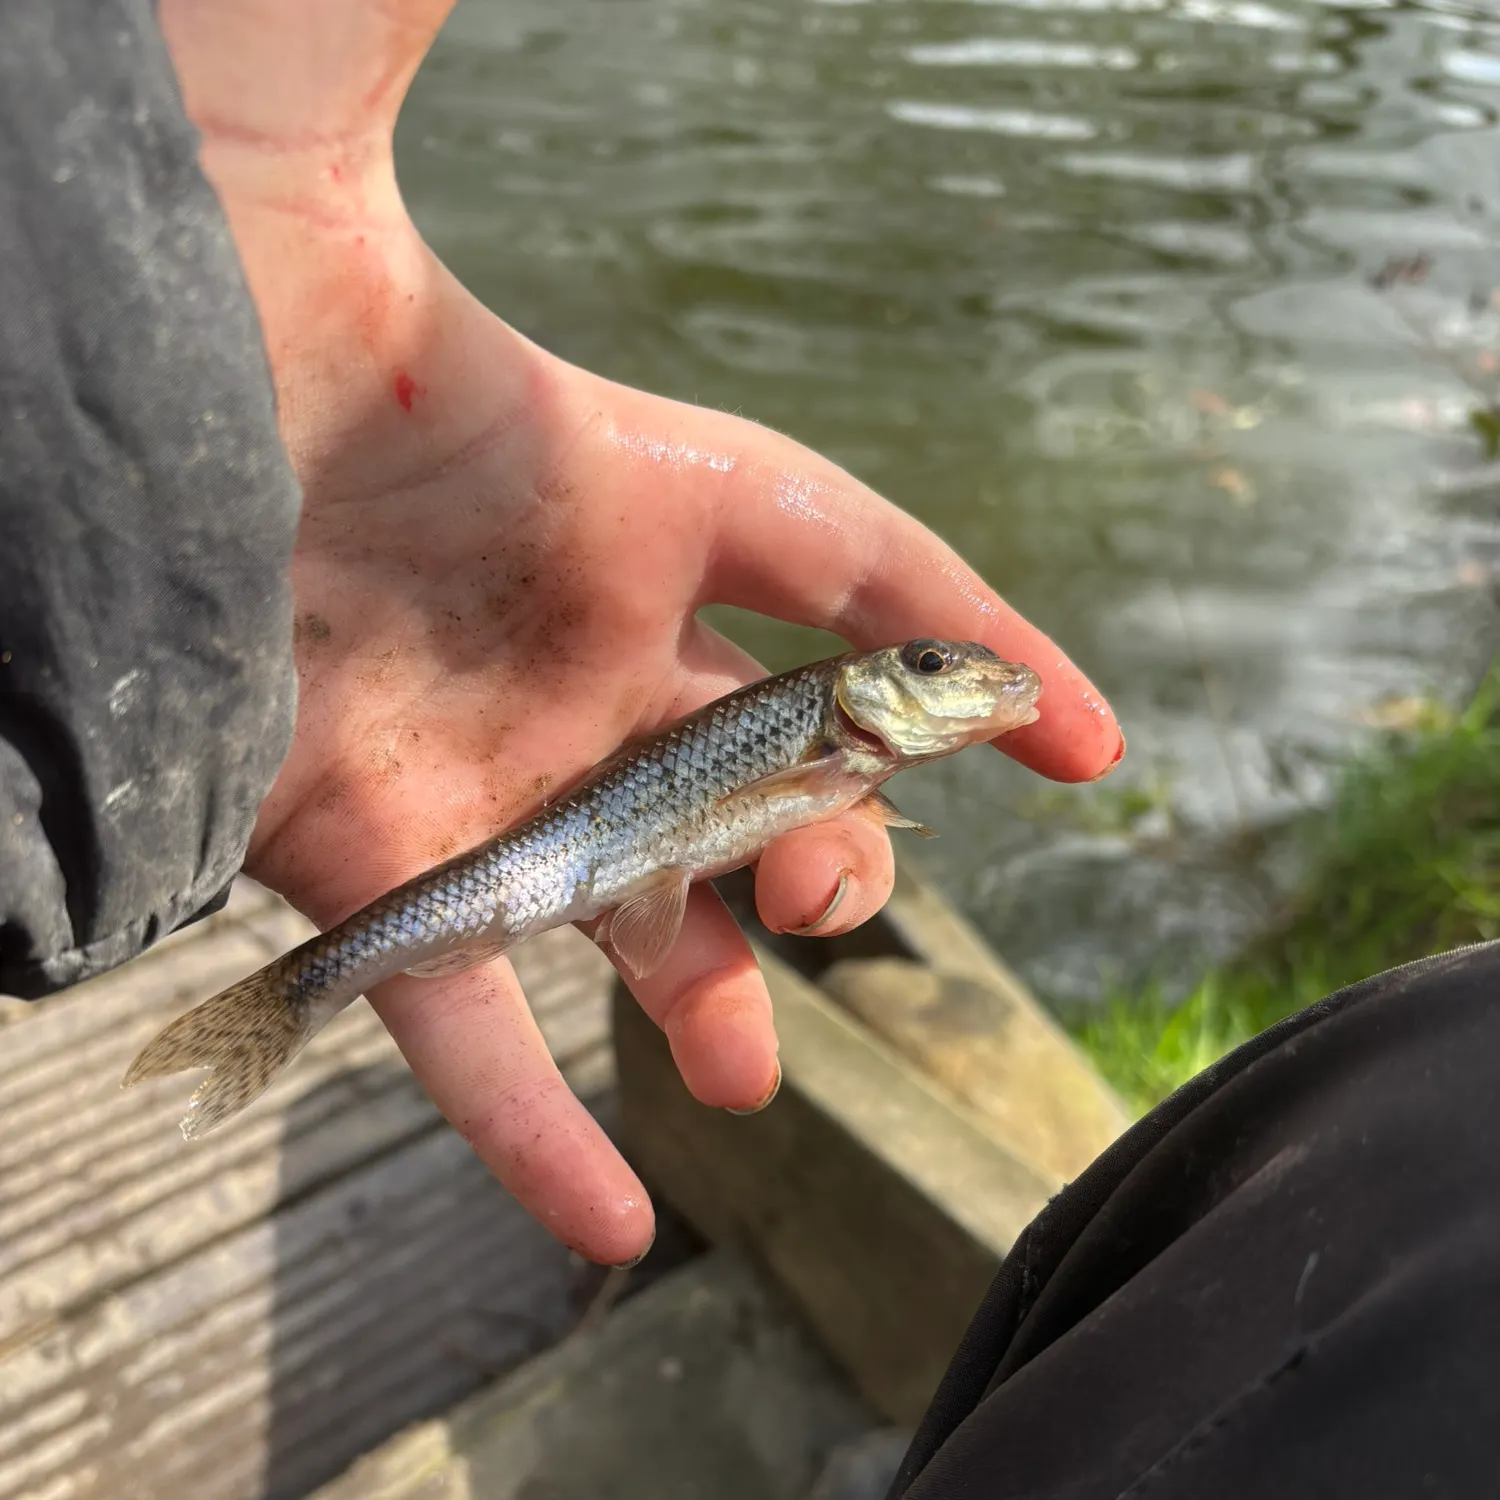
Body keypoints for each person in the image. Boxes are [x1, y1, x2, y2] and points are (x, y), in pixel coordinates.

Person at [3, 3, 1496, 1496]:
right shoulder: (825, 742)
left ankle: (293, 989)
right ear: (867, 699)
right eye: (928, 671)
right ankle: (291, 992)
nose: (956, 685)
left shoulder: (838, 758)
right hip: (549, 842)